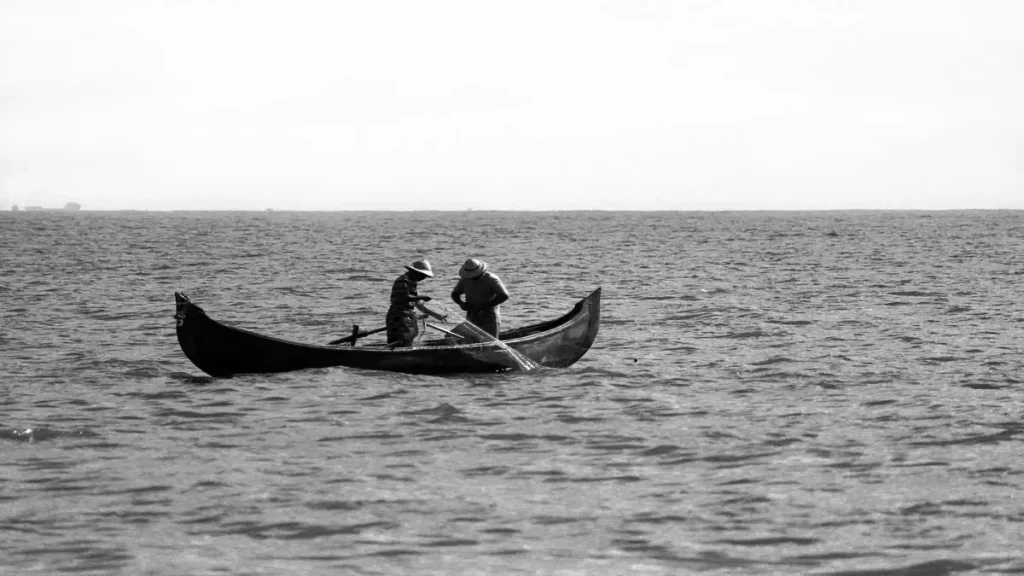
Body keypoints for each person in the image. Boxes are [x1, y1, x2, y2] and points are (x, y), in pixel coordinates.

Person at [450, 258, 509, 338]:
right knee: (453, 337)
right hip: (472, 316)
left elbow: (504, 295)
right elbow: (455, 294)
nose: (473, 278)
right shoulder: (465, 279)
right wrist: (461, 303)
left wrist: (484, 306)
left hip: (489, 317)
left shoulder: (491, 279)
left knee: (490, 342)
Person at [386, 259, 434, 347]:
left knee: (410, 336)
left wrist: (434, 314)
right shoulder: (403, 280)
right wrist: (422, 297)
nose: (423, 278)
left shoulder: (413, 282)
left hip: (407, 315)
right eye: (423, 275)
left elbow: (416, 302)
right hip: (398, 315)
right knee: (402, 339)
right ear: (415, 272)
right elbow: (405, 297)